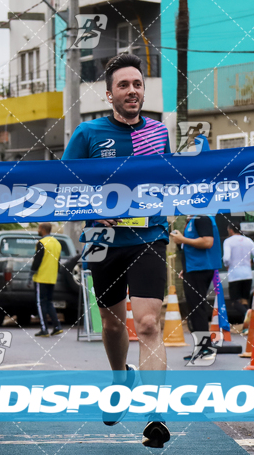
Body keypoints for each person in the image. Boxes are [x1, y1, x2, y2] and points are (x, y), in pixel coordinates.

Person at [61, 53, 171, 448]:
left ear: (144, 91)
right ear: (109, 94)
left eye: (137, 84)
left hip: (149, 237)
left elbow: (167, 180)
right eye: (123, 85)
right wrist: (94, 209)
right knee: (112, 324)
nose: (131, 91)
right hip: (101, 243)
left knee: (147, 324)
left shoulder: (158, 133)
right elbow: (64, 185)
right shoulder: (88, 135)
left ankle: (155, 413)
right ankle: (120, 378)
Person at [169, 215, 221, 340]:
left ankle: (204, 348)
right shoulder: (195, 219)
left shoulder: (202, 218)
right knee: (195, 310)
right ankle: (202, 347)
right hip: (194, 268)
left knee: (197, 310)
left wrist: (183, 239)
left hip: (200, 268)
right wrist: (186, 268)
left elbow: (208, 242)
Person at [30, 223, 64, 337]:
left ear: (43, 229)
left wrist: (31, 275)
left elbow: (37, 260)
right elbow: (58, 261)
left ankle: (44, 329)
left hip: (41, 277)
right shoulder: (57, 243)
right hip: (52, 277)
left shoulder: (42, 243)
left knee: (40, 303)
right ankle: (57, 326)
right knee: (49, 302)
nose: (38, 230)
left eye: (39, 228)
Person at [222, 224, 254, 306]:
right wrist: (252, 262)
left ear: (231, 230)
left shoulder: (228, 241)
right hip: (247, 275)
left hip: (234, 276)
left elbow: (226, 258)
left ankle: (246, 313)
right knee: (244, 301)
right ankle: (246, 316)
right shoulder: (248, 240)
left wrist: (227, 265)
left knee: (235, 302)